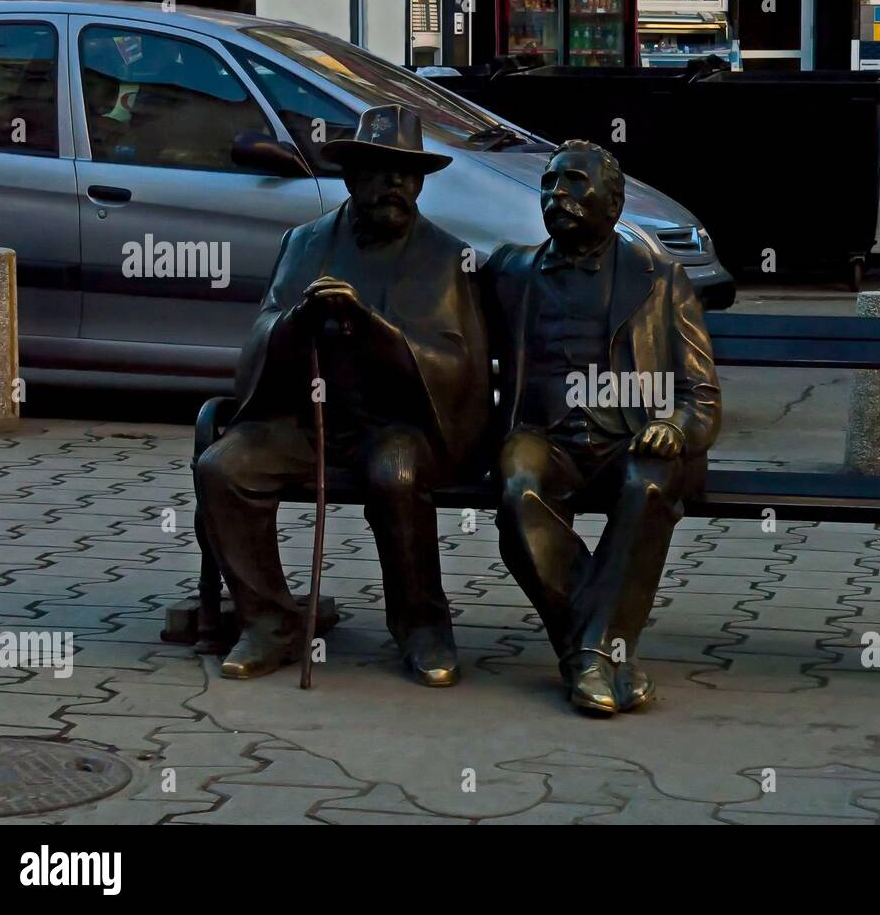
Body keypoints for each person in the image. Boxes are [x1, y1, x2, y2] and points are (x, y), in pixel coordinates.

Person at [194, 105, 490, 685]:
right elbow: (260, 337)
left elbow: (460, 369)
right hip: (311, 420)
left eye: (406, 175)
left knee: (396, 476)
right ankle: (270, 623)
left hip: (402, 426)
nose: (394, 186)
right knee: (222, 467)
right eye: (379, 172)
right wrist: (298, 321)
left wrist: (376, 329)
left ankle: (422, 626)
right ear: (352, 177)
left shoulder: (446, 257)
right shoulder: (304, 244)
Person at [482, 140, 721, 716]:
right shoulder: (510, 272)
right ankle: (604, 650)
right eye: (548, 184)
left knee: (651, 483)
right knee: (517, 487)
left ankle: (586, 654)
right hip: (543, 436)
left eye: (573, 183)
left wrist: (676, 428)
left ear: (614, 204)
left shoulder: (660, 278)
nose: (556, 195)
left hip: (630, 437)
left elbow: (701, 395)